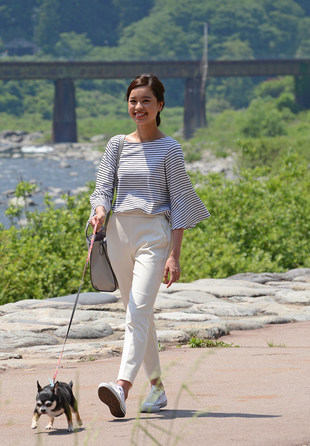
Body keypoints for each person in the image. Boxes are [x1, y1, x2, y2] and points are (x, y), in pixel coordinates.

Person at [89, 74, 210, 418]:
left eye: (145, 101)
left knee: (138, 312)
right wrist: (99, 209)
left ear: (159, 106)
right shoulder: (116, 144)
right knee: (137, 315)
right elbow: (102, 188)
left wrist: (175, 254)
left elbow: (182, 202)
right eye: (133, 101)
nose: (138, 107)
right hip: (118, 234)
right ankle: (156, 388)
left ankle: (121, 386)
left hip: (154, 235)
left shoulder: (170, 148)